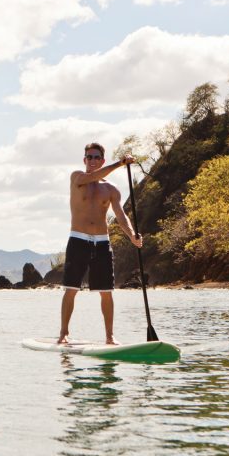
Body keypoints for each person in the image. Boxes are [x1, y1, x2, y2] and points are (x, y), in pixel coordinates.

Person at [58, 142, 143, 345]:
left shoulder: (111, 189)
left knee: (106, 291)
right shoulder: (77, 178)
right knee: (71, 289)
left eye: (97, 157)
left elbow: (121, 216)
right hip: (78, 239)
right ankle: (63, 334)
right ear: (84, 160)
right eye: (90, 157)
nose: (93, 160)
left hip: (102, 243)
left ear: (102, 160)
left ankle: (109, 336)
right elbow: (91, 177)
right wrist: (120, 163)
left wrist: (132, 235)